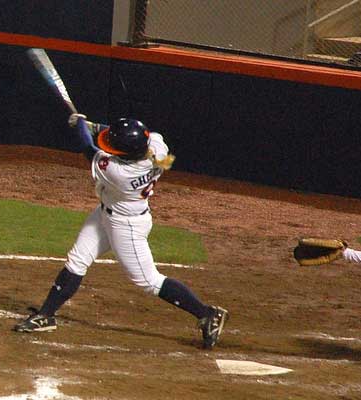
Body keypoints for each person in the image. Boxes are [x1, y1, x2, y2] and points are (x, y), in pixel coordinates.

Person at [14, 114, 229, 349]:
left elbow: (87, 147)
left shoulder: (117, 172)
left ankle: (207, 313)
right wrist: (95, 126)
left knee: (148, 280)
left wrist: (79, 126)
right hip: (109, 213)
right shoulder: (156, 145)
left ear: (125, 154)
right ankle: (47, 315)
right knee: (78, 258)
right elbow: (157, 154)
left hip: (126, 226)